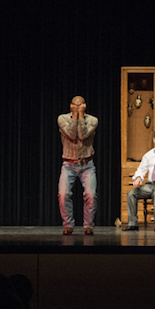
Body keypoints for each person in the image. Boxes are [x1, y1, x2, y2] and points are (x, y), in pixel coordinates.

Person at [57, 96, 99, 236]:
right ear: (70, 106)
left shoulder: (92, 120)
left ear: (84, 106)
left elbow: (82, 135)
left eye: (80, 105)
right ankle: (68, 225)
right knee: (63, 194)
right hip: (69, 164)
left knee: (91, 195)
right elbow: (71, 134)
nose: (77, 107)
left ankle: (88, 226)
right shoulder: (62, 119)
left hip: (87, 164)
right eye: (75, 105)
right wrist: (75, 116)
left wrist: (80, 116)